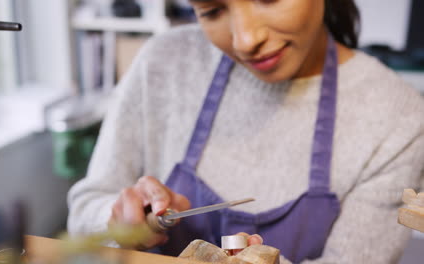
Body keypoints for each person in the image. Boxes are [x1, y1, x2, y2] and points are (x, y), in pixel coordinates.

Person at [67, 0, 424, 263]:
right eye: (211, 10)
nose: (245, 40)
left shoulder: (397, 116)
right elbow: (83, 213)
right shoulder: (163, 62)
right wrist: (120, 219)